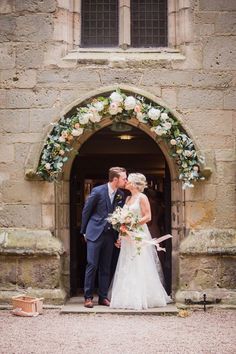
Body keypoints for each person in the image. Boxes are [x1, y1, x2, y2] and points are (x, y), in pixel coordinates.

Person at [109, 173, 171, 310]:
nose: (126, 183)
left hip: (138, 234)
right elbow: (123, 219)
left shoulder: (142, 197)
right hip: (127, 236)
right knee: (127, 262)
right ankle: (126, 296)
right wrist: (121, 234)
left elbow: (148, 217)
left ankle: (144, 296)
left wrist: (133, 224)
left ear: (135, 184)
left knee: (140, 262)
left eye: (128, 181)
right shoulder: (128, 198)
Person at [81, 167, 127, 308]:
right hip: (95, 233)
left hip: (110, 235)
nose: (125, 181)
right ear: (115, 179)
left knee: (106, 267)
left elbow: (120, 216)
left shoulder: (121, 194)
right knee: (92, 264)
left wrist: (119, 235)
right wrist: (84, 232)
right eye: (124, 178)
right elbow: (86, 211)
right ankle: (88, 297)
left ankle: (103, 297)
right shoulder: (98, 191)